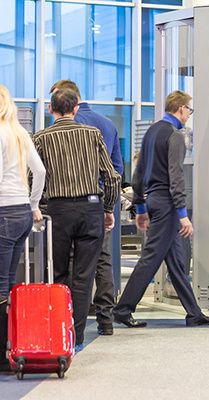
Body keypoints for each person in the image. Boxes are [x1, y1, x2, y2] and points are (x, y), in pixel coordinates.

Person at [113, 90, 209, 328]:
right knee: (150, 258)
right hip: (168, 204)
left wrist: (140, 206)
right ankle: (123, 309)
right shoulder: (175, 136)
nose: (189, 114)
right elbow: (176, 176)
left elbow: (138, 172)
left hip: (153, 200)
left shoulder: (152, 131)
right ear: (180, 109)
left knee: (176, 261)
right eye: (189, 110)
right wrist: (182, 215)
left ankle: (193, 312)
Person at [33, 88, 121, 352]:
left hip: (57, 212)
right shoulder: (93, 134)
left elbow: (33, 177)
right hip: (90, 209)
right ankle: (77, 335)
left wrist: (36, 205)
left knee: (58, 273)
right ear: (75, 109)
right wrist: (107, 208)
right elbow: (112, 176)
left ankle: (60, 332)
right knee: (84, 276)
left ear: (51, 109)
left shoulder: (40, 138)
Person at [0, 85, 46, 372]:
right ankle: (11, 345)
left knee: (0, 284)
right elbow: (39, 171)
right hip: (21, 213)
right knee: (7, 283)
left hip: (3, 211)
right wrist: (33, 204)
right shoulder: (19, 132)